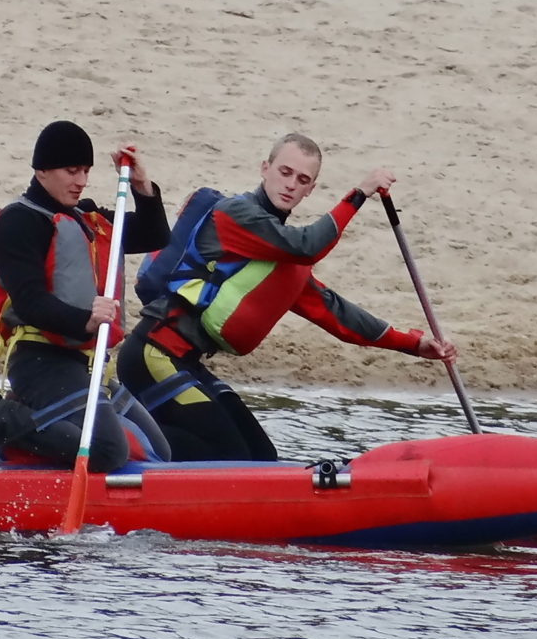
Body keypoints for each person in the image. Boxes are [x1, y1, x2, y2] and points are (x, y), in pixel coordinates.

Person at [116, 133, 455, 462]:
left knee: (261, 455)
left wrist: (414, 343)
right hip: (152, 353)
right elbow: (306, 245)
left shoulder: (282, 258)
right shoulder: (235, 214)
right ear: (265, 169)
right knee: (229, 454)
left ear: (310, 189)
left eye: (302, 179)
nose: (291, 184)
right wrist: (359, 194)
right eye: (285, 172)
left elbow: (334, 313)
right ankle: (114, 442)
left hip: (184, 361)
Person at [0, 120, 172, 480]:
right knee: (107, 450)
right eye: (71, 171)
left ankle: (36, 421)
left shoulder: (85, 218)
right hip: (40, 362)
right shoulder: (18, 223)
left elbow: (154, 235)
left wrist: (142, 187)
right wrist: (85, 321)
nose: (81, 181)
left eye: (86, 171)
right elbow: (29, 301)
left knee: (157, 450)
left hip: (86, 365)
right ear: (42, 170)